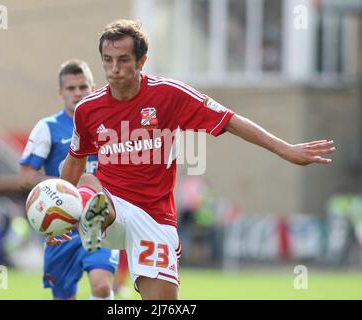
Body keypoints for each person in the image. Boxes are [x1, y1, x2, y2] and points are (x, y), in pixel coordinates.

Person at [60, 20, 336, 300]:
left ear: (142, 61)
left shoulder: (170, 95)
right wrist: (57, 214)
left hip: (155, 218)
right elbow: (74, 161)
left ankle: (95, 218)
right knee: (87, 179)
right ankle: (94, 218)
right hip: (113, 207)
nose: (114, 69)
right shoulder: (88, 109)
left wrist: (285, 149)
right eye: (107, 60)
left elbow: (229, 120)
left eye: (123, 60)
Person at [19, 59, 118, 300]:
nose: (77, 93)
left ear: (93, 88)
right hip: (62, 227)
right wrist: (63, 189)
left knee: (102, 286)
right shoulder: (47, 127)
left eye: (83, 87)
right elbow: (25, 176)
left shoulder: (109, 124)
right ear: (60, 92)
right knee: (63, 296)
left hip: (98, 220)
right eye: (71, 88)